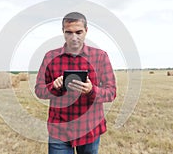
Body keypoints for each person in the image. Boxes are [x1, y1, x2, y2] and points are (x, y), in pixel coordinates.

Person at [35, 12, 116, 154]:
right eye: (69, 32)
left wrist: (92, 90)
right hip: (59, 129)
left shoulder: (100, 56)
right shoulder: (50, 57)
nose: (74, 37)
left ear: (86, 31)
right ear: (63, 32)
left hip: (89, 128)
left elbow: (111, 92)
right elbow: (39, 90)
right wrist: (53, 86)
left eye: (79, 32)